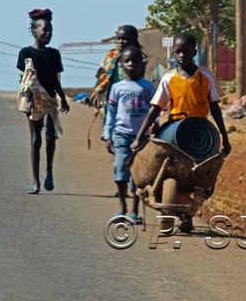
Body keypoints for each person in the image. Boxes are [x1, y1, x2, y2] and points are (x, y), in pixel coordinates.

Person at [131, 33, 231, 232]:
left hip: (201, 134)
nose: (182, 55)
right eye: (178, 51)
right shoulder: (169, 78)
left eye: (186, 51)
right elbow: (155, 109)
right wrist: (139, 136)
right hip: (175, 131)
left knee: (200, 180)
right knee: (166, 167)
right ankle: (167, 205)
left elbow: (215, 107)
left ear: (194, 52)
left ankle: (188, 214)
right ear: (174, 54)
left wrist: (224, 137)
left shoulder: (206, 77)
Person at [17, 8, 70, 194]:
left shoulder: (54, 54)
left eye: (50, 31)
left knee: (51, 136)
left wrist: (63, 98)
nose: (47, 34)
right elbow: (25, 81)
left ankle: (49, 171)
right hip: (34, 101)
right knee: (35, 140)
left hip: (50, 101)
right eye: (44, 30)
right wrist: (28, 101)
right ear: (34, 31)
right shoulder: (26, 53)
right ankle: (35, 182)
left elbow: (55, 80)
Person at [103, 46, 156, 224]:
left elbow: (155, 111)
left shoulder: (148, 87)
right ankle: (122, 208)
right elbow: (110, 112)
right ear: (121, 64)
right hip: (121, 135)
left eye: (135, 60)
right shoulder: (117, 88)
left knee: (138, 176)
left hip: (143, 139)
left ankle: (134, 211)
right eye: (127, 61)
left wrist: (157, 127)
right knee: (120, 169)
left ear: (142, 64)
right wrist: (107, 135)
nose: (131, 64)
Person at [91, 25, 147, 109]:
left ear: (133, 40)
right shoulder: (111, 56)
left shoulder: (139, 57)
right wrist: (97, 92)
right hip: (110, 98)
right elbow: (101, 75)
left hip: (131, 98)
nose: (120, 41)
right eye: (119, 38)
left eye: (124, 39)